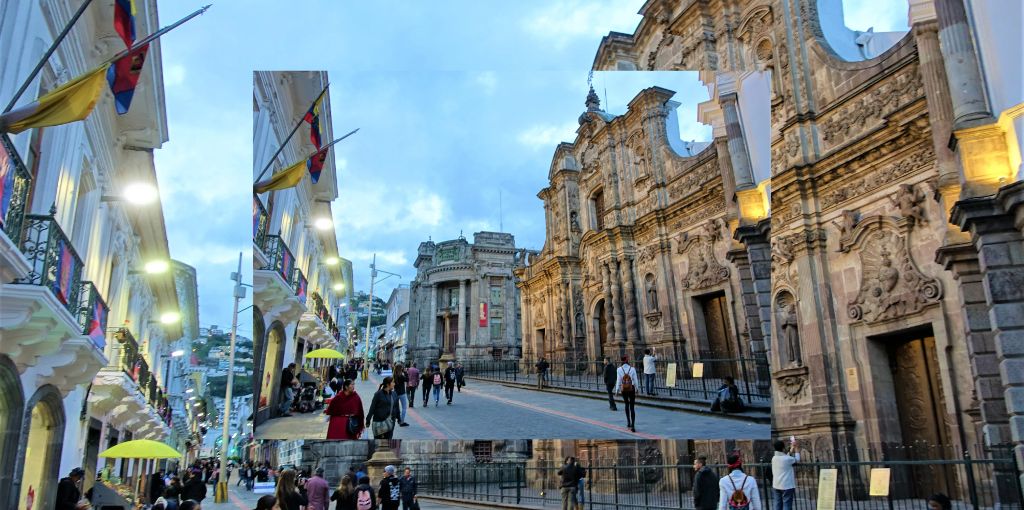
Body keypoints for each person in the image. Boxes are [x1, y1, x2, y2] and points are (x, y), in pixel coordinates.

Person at [771, 438, 799, 510]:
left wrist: (791, 449)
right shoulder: (787, 459)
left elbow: (785, 457)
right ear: (783, 448)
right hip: (787, 486)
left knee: (777, 505)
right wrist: (796, 448)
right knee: (787, 505)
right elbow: (797, 460)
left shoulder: (774, 458)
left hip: (776, 485)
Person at [613, 356, 639, 432]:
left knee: (626, 404)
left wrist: (617, 390)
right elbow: (635, 379)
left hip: (624, 389)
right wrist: (637, 389)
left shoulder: (619, 369)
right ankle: (633, 426)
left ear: (621, 361)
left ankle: (628, 422)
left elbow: (618, 380)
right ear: (628, 361)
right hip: (632, 388)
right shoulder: (632, 369)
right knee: (632, 407)